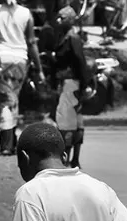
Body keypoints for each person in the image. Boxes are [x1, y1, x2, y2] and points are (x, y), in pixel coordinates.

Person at [0, 0, 46, 155]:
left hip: (1, 58)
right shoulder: (26, 14)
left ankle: (6, 144)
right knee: (12, 100)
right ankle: (11, 139)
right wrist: (39, 68)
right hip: (20, 61)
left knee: (4, 101)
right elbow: (31, 42)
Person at [51, 7, 89, 168]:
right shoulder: (64, 37)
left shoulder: (72, 38)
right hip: (70, 83)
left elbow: (81, 63)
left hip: (70, 83)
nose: (58, 21)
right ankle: (74, 159)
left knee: (67, 122)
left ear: (70, 20)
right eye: (58, 17)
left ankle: (67, 158)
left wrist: (83, 86)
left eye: (62, 18)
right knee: (75, 121)